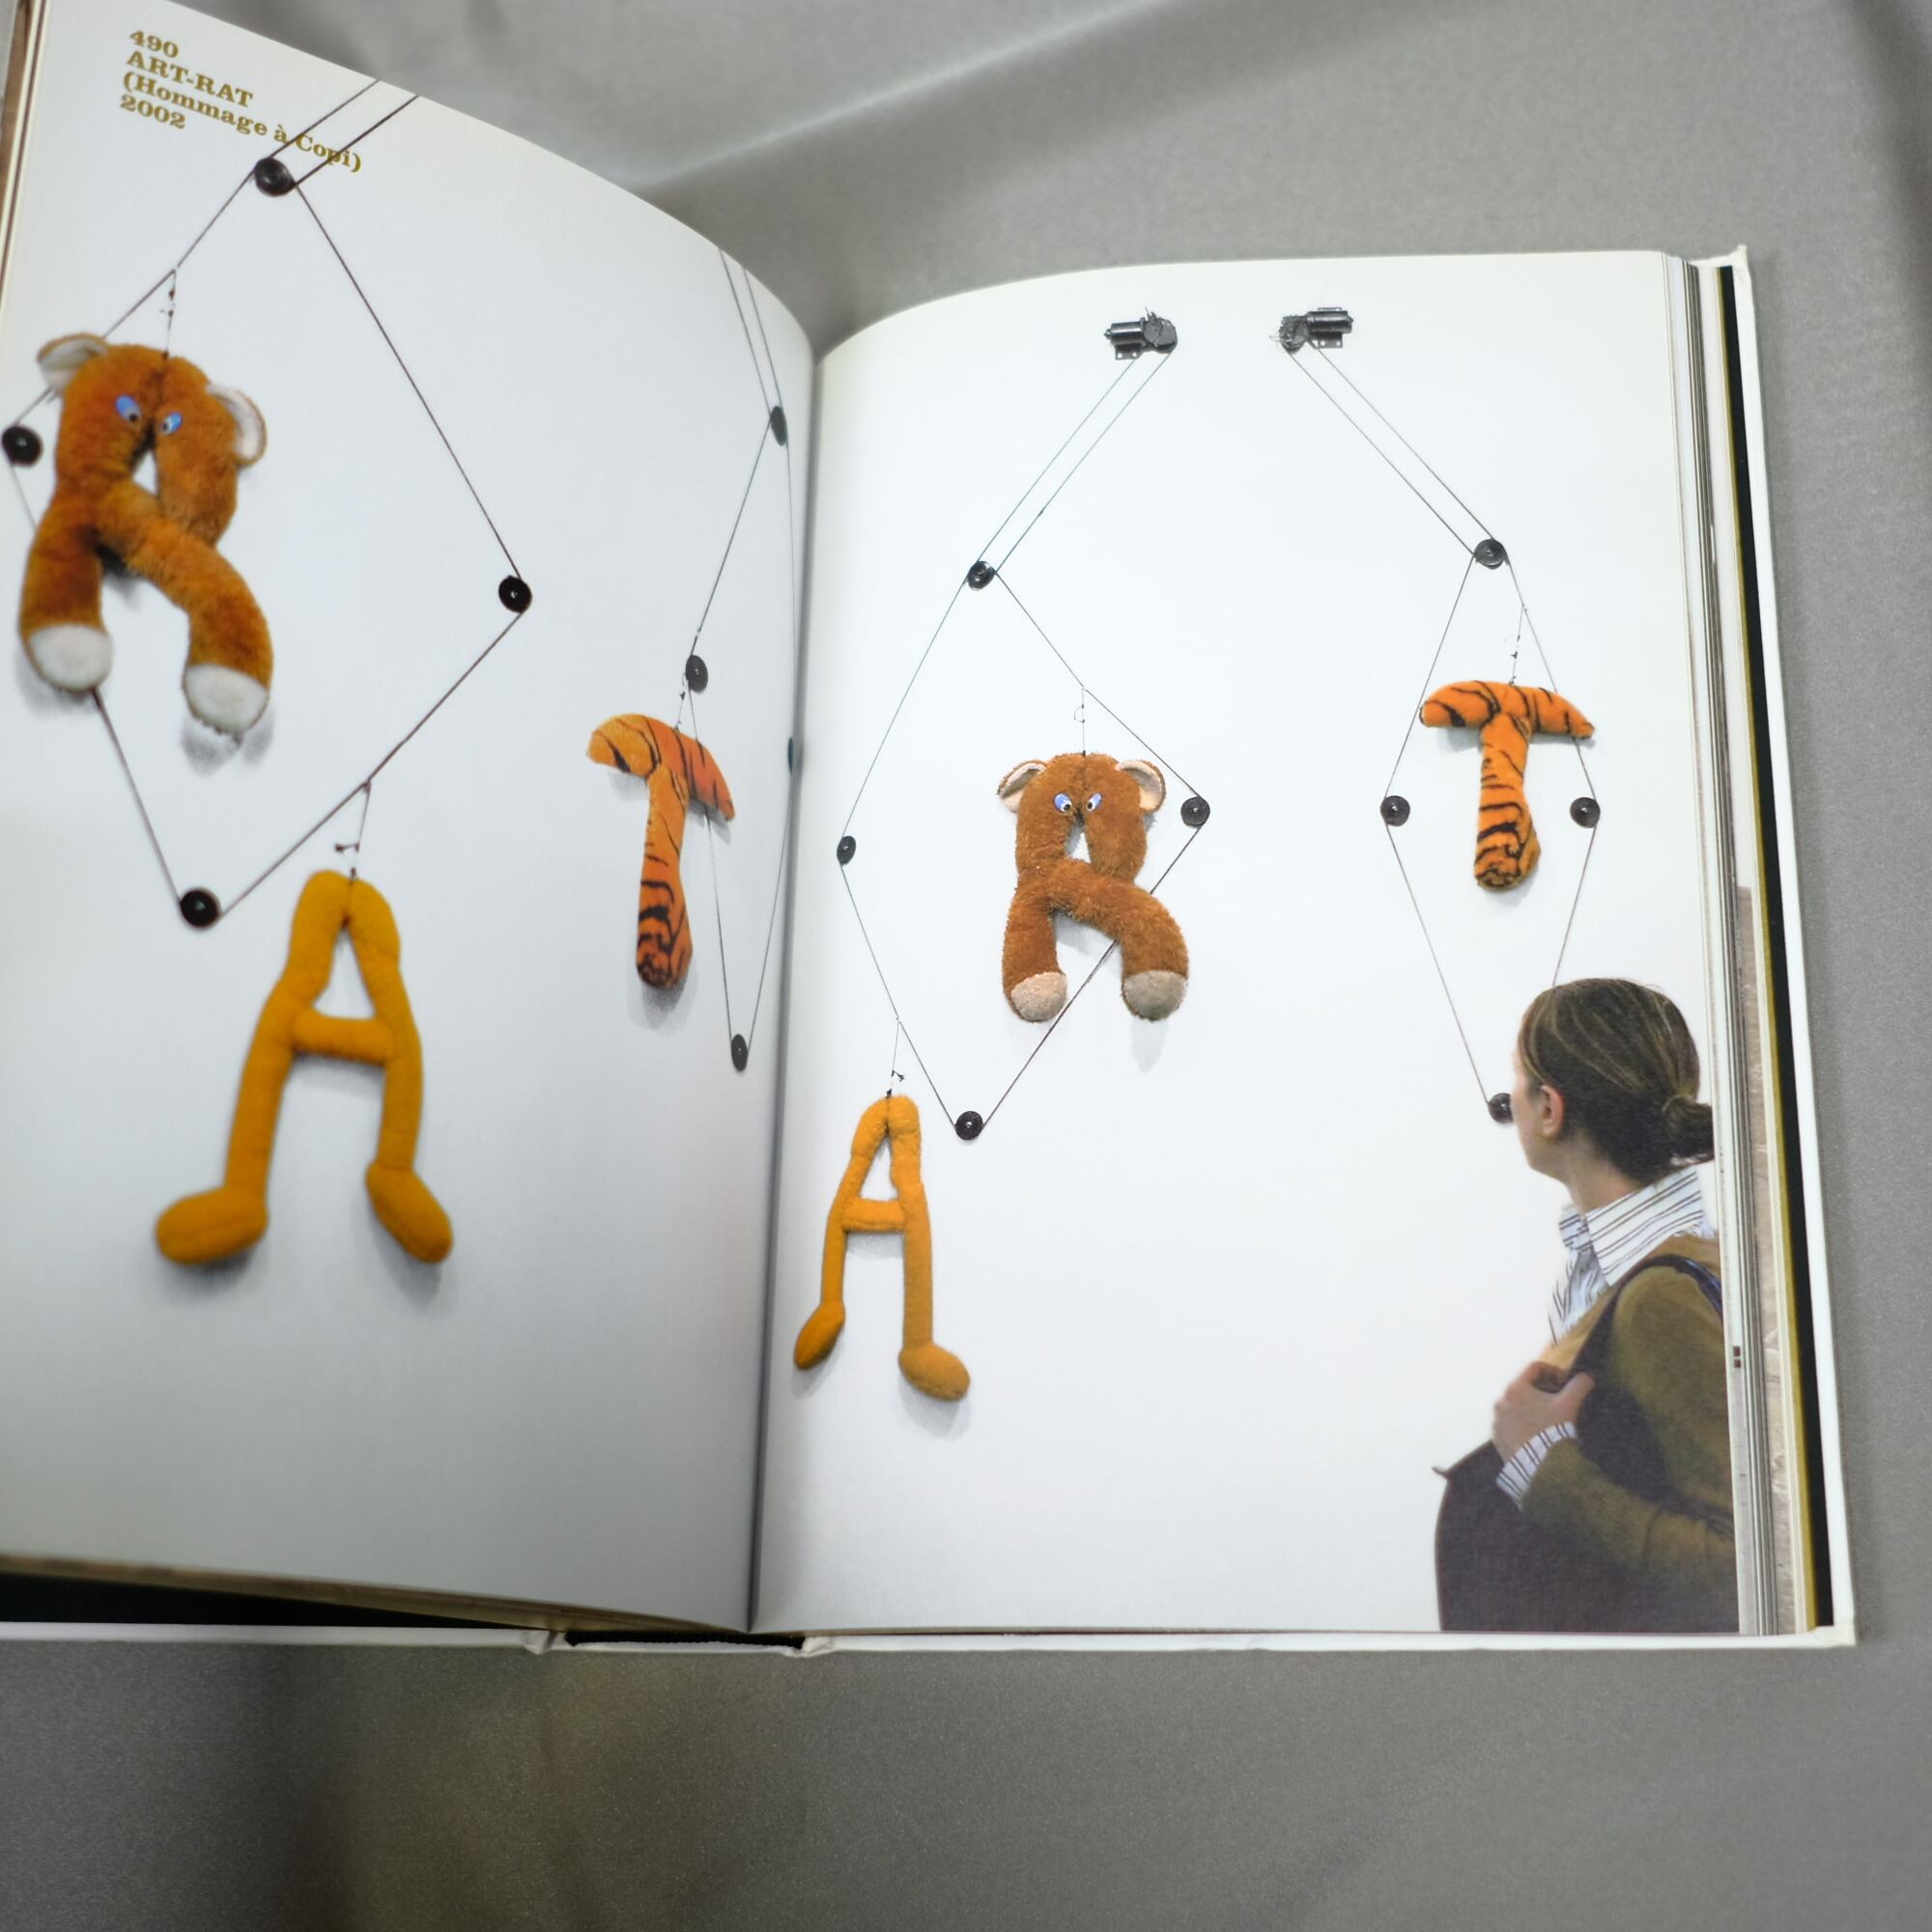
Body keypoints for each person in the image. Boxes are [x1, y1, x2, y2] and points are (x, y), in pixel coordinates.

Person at [1435, 978, 1738, 1634]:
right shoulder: (1606, 1271)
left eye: (1516, 1082)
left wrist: (1541, 1467)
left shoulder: (1662, 1295)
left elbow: (1744, 1568)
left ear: (1550, 1108)